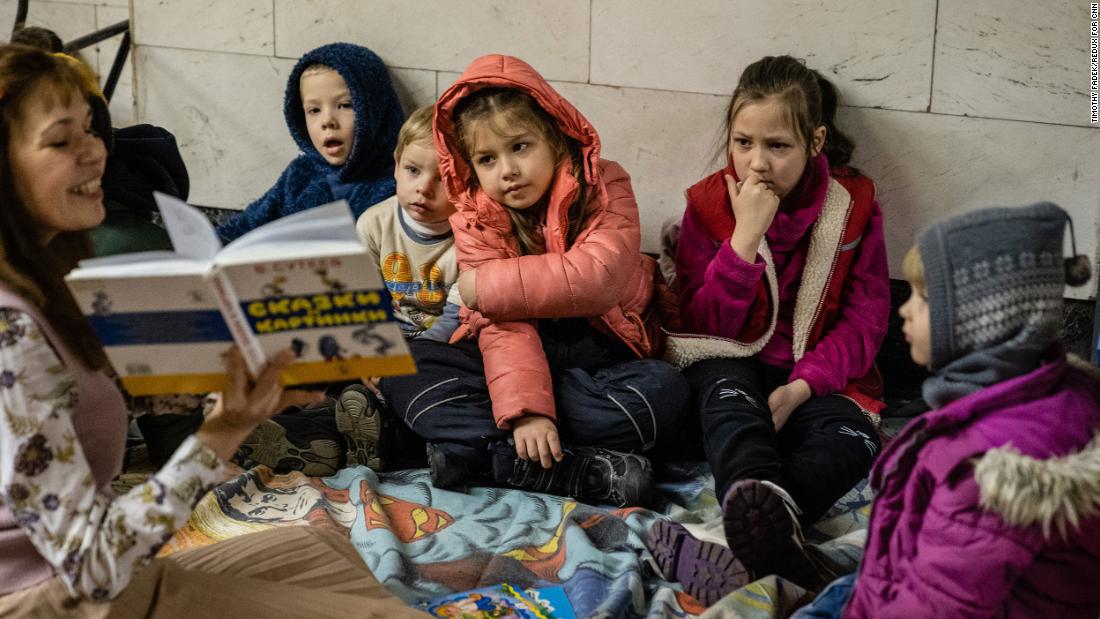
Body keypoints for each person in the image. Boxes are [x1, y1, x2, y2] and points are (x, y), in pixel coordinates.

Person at [0, 44, 426, 617]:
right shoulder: (10, 330)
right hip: (53, 599)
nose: (96, 152)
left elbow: (74, 399)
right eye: (61, 140)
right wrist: (221, 434)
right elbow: (95, 565)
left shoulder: (48, 283)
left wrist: (232, 381)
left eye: (91, 130)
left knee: (316, 546)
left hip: (92, 578)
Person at [377, 54, 689, 508]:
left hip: (597, 357)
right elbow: (504, 329)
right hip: (511, 361)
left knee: (666, 391)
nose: (507, 170)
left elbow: (597, 279)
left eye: (519, 147)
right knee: (401, 361)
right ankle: (565, 468)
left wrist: (483, 288)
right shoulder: (476, 215)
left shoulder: (606, 184)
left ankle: (476, 455)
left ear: (555, 137)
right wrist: (526, 413)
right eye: (486, 158)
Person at [647, 55, 890, 603]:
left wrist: (804, 385)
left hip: (820, 375)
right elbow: (706, 326)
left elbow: (867, 317)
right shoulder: (708, 205)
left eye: (777, 146)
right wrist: (744, 240)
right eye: (742, 143)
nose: (756, 164)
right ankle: (760, 521)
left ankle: (741, 536)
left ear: (815, 141)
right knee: (731, 406)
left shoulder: (853, 206)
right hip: (735, 361)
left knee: (854, 439)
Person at [791, 203, 1100, 618]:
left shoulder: (989, 471)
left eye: (922, 297)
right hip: (957, 583)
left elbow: (935, 607)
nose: (904, 308)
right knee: (846, 587)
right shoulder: (1055, 391)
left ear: (976, 322)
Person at [235, 105, 457, 477]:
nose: (423, 187)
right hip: (376, 345)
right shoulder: (374, 221)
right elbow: (362, 301)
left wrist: (399, 364)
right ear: (396, 164)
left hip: (433, 351)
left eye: (444, 179)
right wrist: (372, 356)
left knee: (407, 396)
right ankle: (309, 432)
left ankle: (352, 441)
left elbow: (455, 318)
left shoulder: (473, 238)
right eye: (413, 171)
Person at [216, 42, 404, 242]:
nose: (327, 121)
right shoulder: (300, 175)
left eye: (345, 105)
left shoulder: (398, 183)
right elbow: (246, 225)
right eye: (314, 110)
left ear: (376, 110)